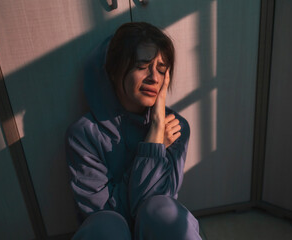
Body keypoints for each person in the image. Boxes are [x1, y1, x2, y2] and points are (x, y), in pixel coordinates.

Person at [65, 22, 202, 240]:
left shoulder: (174, 128)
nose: (154, 78)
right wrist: (153, 147)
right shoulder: (83, 135)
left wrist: (156, 126)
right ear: (113, 70)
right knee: (106, 223)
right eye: (142, 65)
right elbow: (104, 212)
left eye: (161, 69)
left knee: (163, 210)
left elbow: (154, 208)